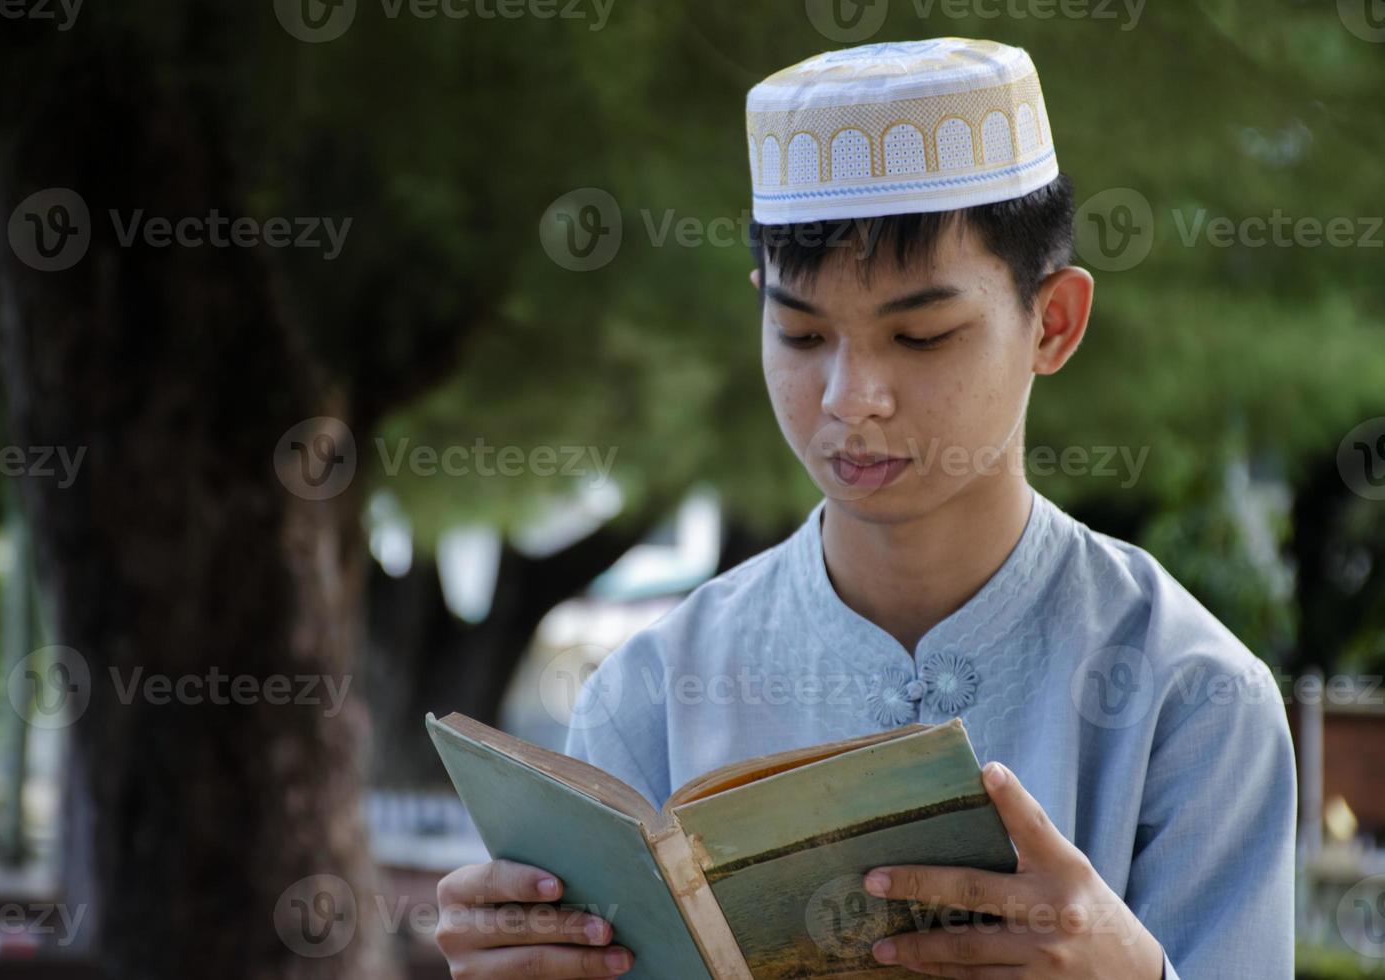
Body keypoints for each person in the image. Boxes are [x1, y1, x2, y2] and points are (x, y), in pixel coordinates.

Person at [434, 38, 1296, 979]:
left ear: (1053, 323)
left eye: (920, 336)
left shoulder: (1194, 696)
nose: (851, 397)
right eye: (802, 333)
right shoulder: (650, 696)